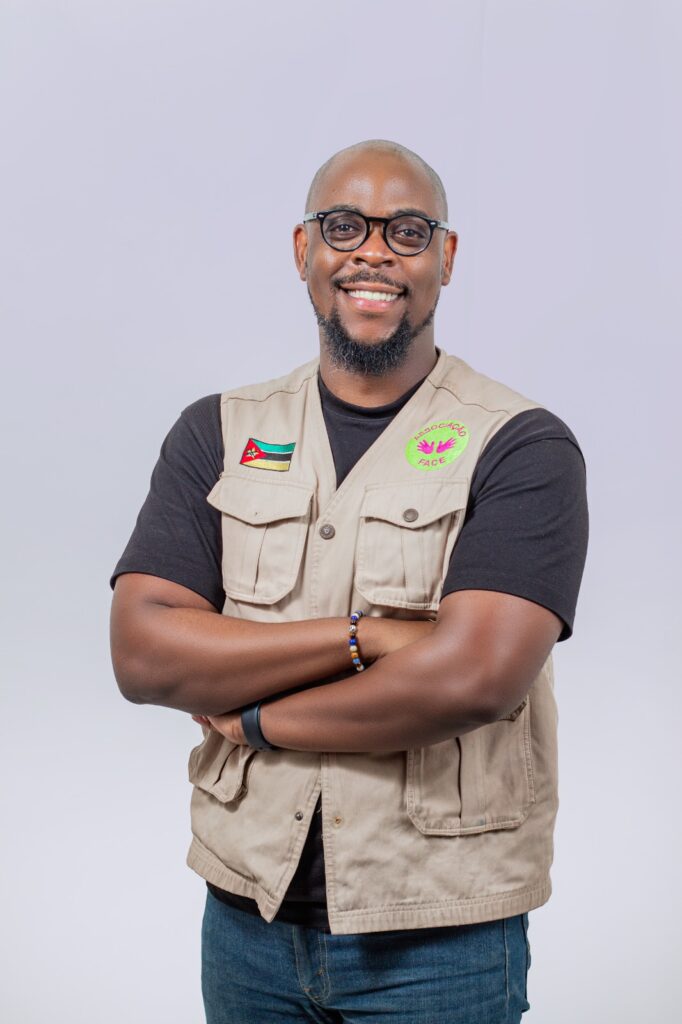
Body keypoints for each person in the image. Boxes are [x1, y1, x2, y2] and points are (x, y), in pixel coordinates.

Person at [110, 139, 588, 1023]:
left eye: (407, 231)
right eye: (343, 227)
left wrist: (255, 719)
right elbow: (144, 653)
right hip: (246, 922)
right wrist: (366, 637)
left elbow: (473, 680)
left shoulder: (522, 445)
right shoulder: (217, 431)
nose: (373, 252)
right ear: (304, 250)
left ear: (445, 257)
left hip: (443, 935)